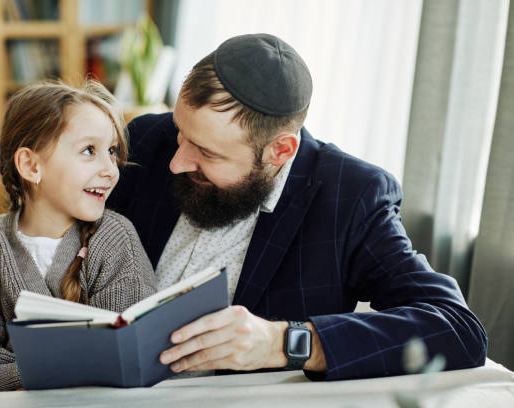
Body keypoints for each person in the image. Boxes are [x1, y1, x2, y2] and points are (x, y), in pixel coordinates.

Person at [107, 33, 487, 380]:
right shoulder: (148, 138)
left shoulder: (351, 198)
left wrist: (284, 342)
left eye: (206, 152)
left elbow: (457, 327)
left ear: (280, 151)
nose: (176, 162)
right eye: (181, 133)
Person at [0, 81, 156, 394]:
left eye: (111, 151)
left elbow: (121, 355)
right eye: (88, 151)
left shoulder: (116, 238)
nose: (111, 169)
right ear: (30, 165)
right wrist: (60, 371)